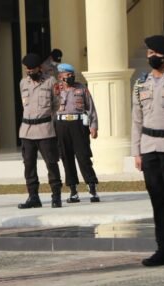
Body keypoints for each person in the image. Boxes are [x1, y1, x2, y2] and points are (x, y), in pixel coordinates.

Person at [131, 35, 164, 267]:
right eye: (149, 52)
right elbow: (136, 120)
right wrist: (136, 152)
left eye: (155, 53)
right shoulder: (141, 83)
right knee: (157, 200)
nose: (151, 56)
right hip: (149, 147)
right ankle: (163, 248)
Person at [17, 53, 63, 209]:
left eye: (32, 69)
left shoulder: (50, 82)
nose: (29, 72)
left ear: (40, 67)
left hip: (44, 129)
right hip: (27, 130)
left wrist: (48, 118)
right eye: (27, 69)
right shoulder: (23, 83)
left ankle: (56, 195)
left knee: (51, 163)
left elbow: (57, 104)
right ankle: (33, 196)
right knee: (29, 165)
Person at [55, 63, 100, 203]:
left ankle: (92, 188)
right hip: (61, 125)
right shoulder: (55, 90)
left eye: (71, 75)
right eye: (67, 75)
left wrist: (93, 126)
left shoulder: (81, 89)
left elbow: (91, 108)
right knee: (66, 158)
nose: (70, 77)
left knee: (83, 156)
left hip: (78, 125)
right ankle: (73, 191)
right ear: (60, 76)